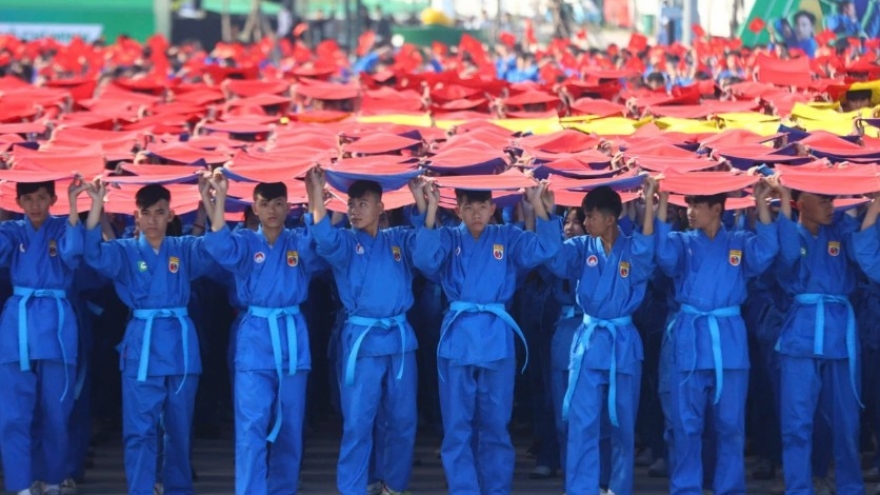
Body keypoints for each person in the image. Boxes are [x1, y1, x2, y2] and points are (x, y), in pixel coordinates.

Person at [412, 178, 562, 494]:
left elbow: (547, 248)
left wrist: (538, 205)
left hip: (496, 339)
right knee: (457, 428)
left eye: (482, 206)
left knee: (495, 425)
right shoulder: (448, 238)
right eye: (469, 207)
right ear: (458, 210)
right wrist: (430, 212)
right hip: (457, 341)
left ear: (493, 208)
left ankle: (496, 489)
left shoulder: (507, 237)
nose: (477, 213)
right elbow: (424, 261)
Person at [82, 180, 214, 495]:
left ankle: (178, 488)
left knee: (179, 428)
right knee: (139, 429)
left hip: (180, 347)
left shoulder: (182, 248)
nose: (153, 219)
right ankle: (141, 489)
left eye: (159, 212)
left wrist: (211, 204)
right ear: (136, 216)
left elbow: (215, 249)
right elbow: (91, 253)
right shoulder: (124, 252)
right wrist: (96, 206)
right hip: (143, 346)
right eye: (146, 213)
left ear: (170, 215)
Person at [200, 171, 322, 495]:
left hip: (291, 340)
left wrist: (315, 195)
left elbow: (320, 243)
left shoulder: (297, 242)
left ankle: (283, 490)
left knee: (290, 427)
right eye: (265, 204)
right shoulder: (244, 242)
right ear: (254, 207)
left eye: (278, 204)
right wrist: (218, 198)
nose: (271, 210)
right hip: (255, 340)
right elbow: (218, 246)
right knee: (251, 426)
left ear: (288, 208)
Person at [655, 176, 779, 495]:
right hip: (690, 340)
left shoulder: (738, 241)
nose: (691, 211)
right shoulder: (682, 242)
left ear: (717, 208)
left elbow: (766, 253)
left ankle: (729, 488)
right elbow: (665, 260)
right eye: (689, 204)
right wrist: (663, 205)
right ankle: (686, 488)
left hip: (728, 342)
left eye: (698, 205)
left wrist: (762, 202)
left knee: (730, 426)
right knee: (686, 424)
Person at [305, 167, 424, 495]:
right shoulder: (344, 242)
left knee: (401, 420)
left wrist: (422, 205)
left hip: (399, 342)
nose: (355, 210)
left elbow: (428, 252)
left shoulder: (398, 240)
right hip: (362, 341)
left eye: (363, 203)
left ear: (381, 207)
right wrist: (316, 196)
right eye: (351, 204)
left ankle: (394, 486)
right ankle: (353, 488)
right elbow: (324, 238)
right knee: (358, 422)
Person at [545, 181, 657, 495]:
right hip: (590, 342)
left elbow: (647, 258)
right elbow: (554, 259)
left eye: (591, 216)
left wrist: (648, 206)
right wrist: (543, 212)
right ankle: (582, 489)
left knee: (622, 425)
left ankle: (618, 488)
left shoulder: (633, 248)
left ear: (610, 219)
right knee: (582, 423)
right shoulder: (582, 247)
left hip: (622, 343)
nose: (585, 222)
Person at [774, 186, 870, 495]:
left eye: (833, 199)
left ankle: (850, 488)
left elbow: (864, 253)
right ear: (800, 204)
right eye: (823, 199)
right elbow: (785, 260)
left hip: (840, 333)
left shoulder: (841, 231)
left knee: (847, 422)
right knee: (796, 423)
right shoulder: (790, 233)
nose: (831, 205)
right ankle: (799, 488)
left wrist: (863, 199)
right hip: (800, 334)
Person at [0, 179, 86, 495]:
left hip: (56, 328)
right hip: (18, 328)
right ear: (18, 202)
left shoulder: (64, 227)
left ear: (52, 199)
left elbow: (74, 254)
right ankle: (21, 484)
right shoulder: (11, 231)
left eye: (40, 198)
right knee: (13, 414)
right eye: (27, 199)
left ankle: (52, 480)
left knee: (57, 412)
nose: (34, 205)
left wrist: (75, 208)